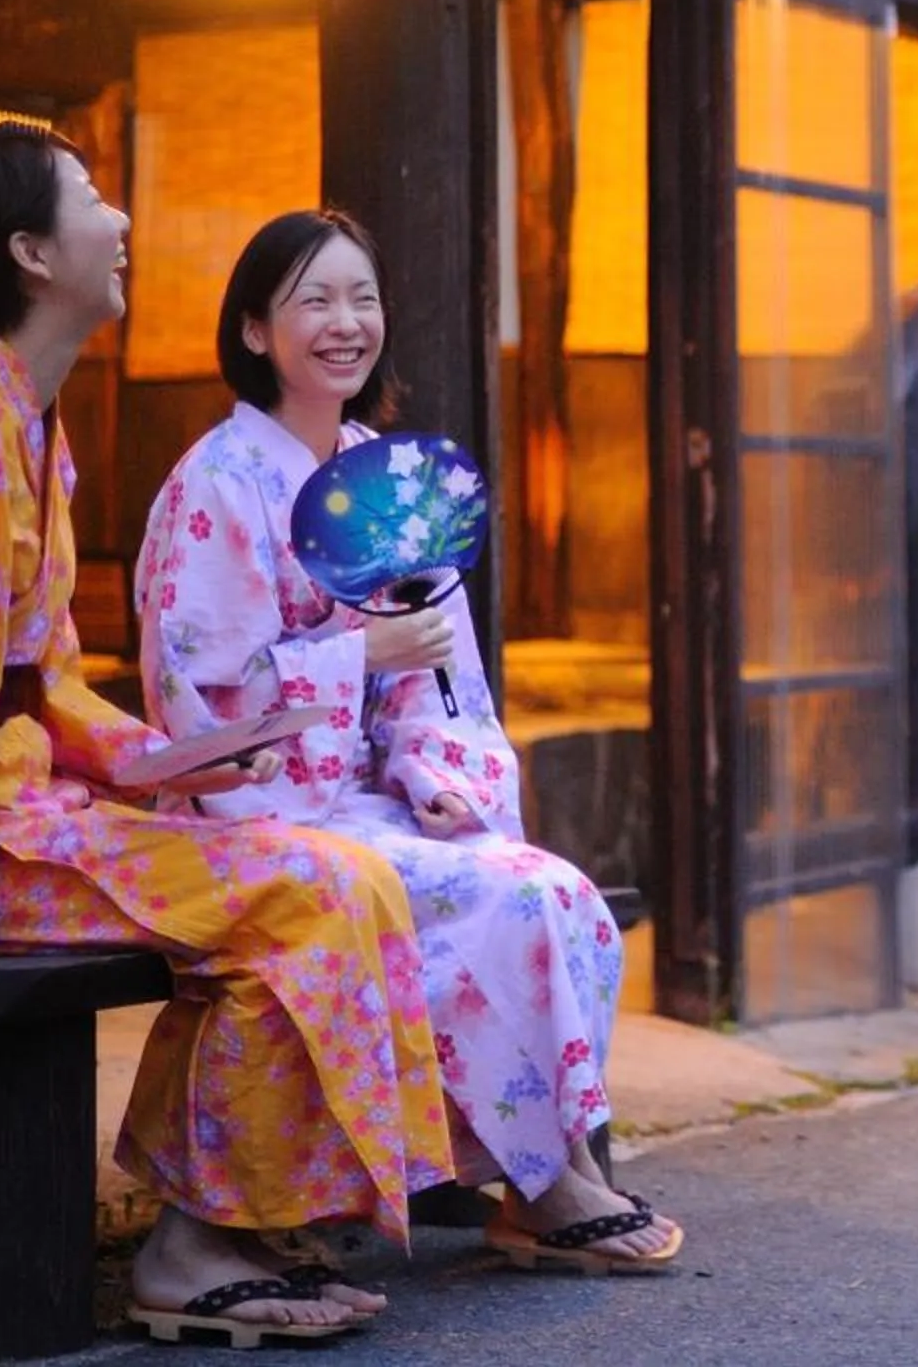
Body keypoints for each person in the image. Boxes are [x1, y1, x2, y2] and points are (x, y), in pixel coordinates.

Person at [0, 124, 452, 1344]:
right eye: (93, 200)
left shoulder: (24, 417)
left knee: (337, 878)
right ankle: (193, 1244)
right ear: (33, 252)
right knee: (306, 885)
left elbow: (42, 683)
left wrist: (153, 762)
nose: (124, 220)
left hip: (10, 808)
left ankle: (236, 1221)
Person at [137, 209, 682, 1276]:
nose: (345, 324)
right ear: (254, 330)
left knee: (550, 891)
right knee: (473, 902)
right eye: (313, 301)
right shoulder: (214, 484)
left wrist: (434, 768)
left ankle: (538, 1174)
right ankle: (542, 1180)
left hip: (373, 804)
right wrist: (355, 658)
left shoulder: (387, 477)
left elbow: (440, 671)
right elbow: (198, 699)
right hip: (252, 807)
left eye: (362, 298)